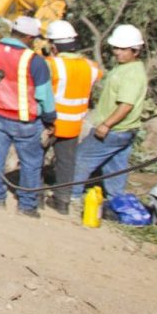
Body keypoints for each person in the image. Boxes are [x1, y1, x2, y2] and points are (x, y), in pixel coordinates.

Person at [0, 14, 55, 217]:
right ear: (29, 38)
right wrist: (50, 119)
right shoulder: (34, 61)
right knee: (31, 164)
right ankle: (27, 205)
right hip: (25, 121)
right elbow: (44, 95)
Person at [74, 24, 148, 212]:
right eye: (116, 48)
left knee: (81, 158)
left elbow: (126, 105)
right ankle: (117, 201)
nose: (117, 52)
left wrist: (106, 124)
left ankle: (71, 195)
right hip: (125, 130)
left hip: (115, 130)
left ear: (135, 51)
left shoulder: (132, 74)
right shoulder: (125, 67)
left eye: (123, 49)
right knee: (115, 167)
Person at [42, 19, 102, 214]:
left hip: (49, 122)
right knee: (66, 163)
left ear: (53, 45)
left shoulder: (52, 64)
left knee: (36, 159)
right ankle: (62, 202)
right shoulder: (92, 67)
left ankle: (34, 197)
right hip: (74, 124)